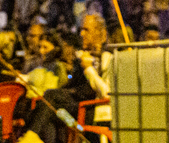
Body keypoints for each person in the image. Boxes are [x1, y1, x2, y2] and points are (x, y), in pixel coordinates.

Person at [17, 13, 112, 143]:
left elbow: (104, 93)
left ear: (100, 33)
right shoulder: (82, 58)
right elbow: (71, 86)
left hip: (87, 113)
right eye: (81, 30)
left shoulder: (107, 59)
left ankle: (30, 137)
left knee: (50, 98)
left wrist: (88, 69)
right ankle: (33, 136)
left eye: (86, 30)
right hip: (70, 117)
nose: (82, 34)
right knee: (46, 109)